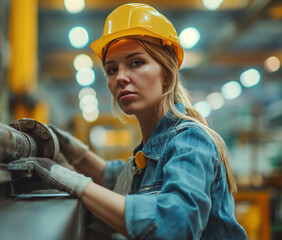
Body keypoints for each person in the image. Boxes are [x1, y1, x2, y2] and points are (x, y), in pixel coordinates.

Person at [29, 3, 247, 239]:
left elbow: (175, 224)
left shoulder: (191, 140)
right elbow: (119, 176)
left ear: (167, 74)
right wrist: (70, 150)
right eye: (112, 69)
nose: (120, 77)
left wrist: (77, 185)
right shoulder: (148, 151)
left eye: (136, 63)